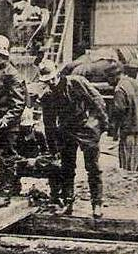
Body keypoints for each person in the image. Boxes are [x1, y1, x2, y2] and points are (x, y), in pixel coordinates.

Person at [38, 59, 110, 218]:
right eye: (47, 81)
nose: (51, 83)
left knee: (93, 168)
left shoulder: (77, 82)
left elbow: (97, 101)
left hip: (86, 129)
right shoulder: (47, 96)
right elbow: (48, 124)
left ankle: (96, 204)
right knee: (67, 168)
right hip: (66, 131)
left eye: (52, 79)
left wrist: (101, 125)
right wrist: (52, 148)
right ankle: (68, 202)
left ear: (57, 73)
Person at [0, 35, 28, 208]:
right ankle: (9, 188)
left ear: (1, 55)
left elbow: (19, 102)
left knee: (7, 157)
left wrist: (7, 119)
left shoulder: (12, 74)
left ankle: (6, 194)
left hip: (7, 125)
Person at [108, 64, 138, 173]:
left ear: (114, 77)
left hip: (129, 132)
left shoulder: (119, 89)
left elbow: (119, 111)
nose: (109, 83)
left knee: (127, 168)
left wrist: (113, 131)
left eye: (109, 79)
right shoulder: (133, 82)